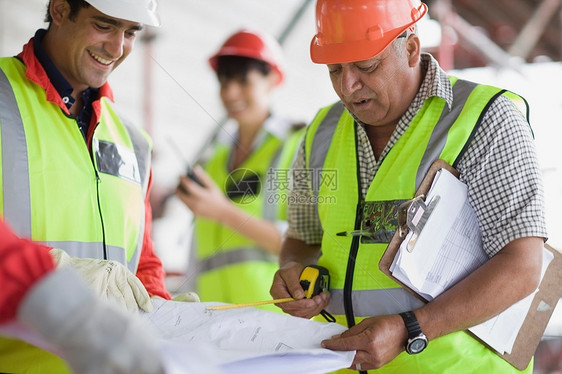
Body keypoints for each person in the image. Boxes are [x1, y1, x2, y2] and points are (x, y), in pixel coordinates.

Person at [269, 0, 548, 373]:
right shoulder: (320, 132)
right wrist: (293, 271)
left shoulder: (486, 120)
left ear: (412, 48)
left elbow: (522, 267)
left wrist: (411, 330)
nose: (348, 86)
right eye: (334, 70)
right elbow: (302, 238)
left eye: (367, 66)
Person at [0, 0, 172, 372]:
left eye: (130, 33)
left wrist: (172, 318)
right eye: (105, 25)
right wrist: (51, 273)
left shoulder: (134, 142)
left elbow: (143, 263)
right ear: (60, 10)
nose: (117, 47)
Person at [176, 29, 305, 311]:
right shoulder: (214, 159)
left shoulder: (299, 146)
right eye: (224, 82)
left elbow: (306, 245)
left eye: (243, 80)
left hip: (273, 319)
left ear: (272, 79)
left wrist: (221, 210)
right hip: (212, 320)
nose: (229, 92)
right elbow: (199, 253)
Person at [0, 219, 164, 374]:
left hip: (112, 363)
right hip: (20, 364)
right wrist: (52, 268)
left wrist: (158, 303)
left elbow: (143, 255)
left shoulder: (142, 186)